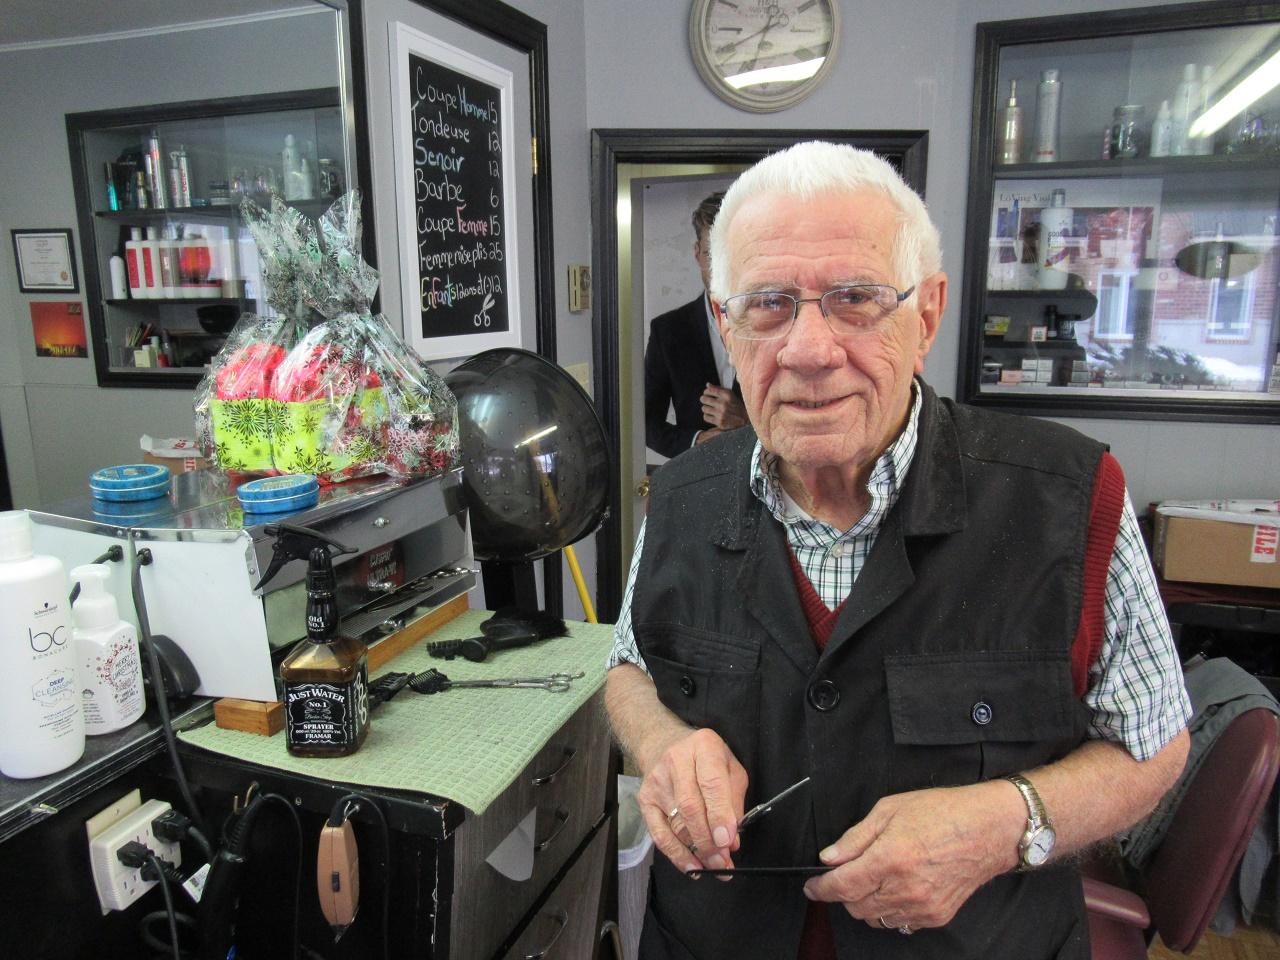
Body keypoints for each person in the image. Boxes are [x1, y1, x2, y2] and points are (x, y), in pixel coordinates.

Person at [605, 141, 1192, 960]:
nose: (809, 351)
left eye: (856, 299)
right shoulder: (677, 496)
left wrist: (1003, 824)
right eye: (769, 304)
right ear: (726, 324)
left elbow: (1154, 742)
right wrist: (663, 744)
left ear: (927, 315)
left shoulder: (1069, 497)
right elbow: (629, 667)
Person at [644, 190, 747, 458]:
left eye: (729, 255)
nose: (720, 270)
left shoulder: (777, 324)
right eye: (711, 255)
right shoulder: (667, 331)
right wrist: (696, 441)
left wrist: (746, 422)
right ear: (697, 254)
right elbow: (646, 423)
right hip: (694, 482)